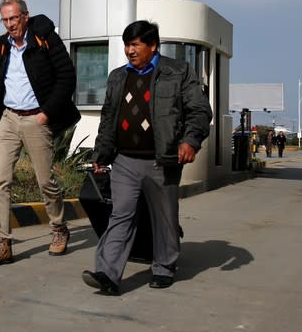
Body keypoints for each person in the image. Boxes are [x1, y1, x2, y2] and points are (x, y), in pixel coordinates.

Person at [81, 20, 212, 294]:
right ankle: (107, 273)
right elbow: (108, 119)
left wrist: (190, 141)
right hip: (124, 160)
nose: (130, 50)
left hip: (161, 159)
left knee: (164, 217)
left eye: (135, 44)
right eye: (127, 45)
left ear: (153, 45)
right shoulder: (118, 77)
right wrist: (101, 154)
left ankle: (164, 267)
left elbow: (199, 110)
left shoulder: (178, 72)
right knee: (120, 215)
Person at [0, 0, 80, 267]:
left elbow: (67, 77)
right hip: (9, 119)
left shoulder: (44, 39)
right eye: (5, 19)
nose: (10, 24)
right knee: (0, 181)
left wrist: (46, 112)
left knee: (45, 181)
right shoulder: (2, 45)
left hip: (36, 119)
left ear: (25, 16)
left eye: (14, 18)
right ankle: (3, 242)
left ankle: (59, 227)